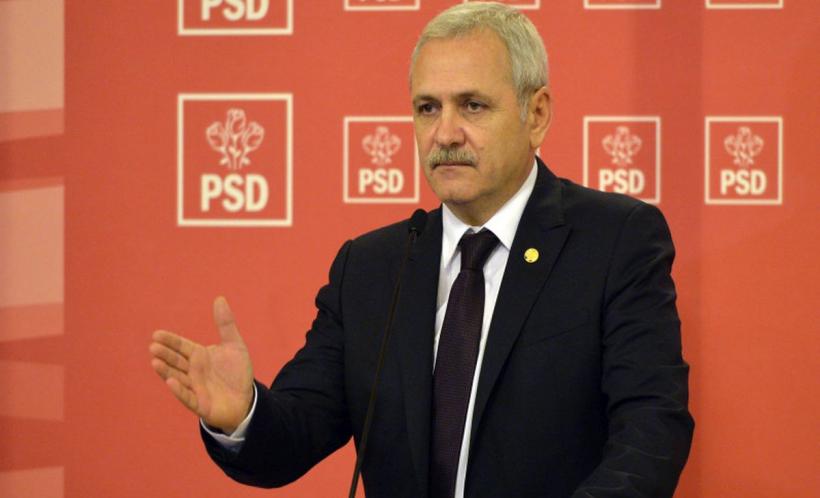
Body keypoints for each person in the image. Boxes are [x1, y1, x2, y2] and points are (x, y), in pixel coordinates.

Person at [149, 2, 694, 497]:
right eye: (428, 108)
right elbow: (297, 431)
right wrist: (243, 414)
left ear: (536, 114)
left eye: (473, 106)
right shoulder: (371, 267)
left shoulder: (614, 240)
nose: (445, 133)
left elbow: (651, 429)